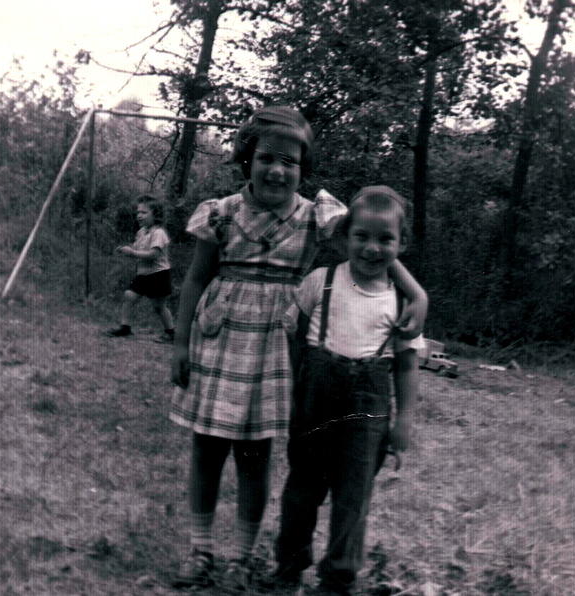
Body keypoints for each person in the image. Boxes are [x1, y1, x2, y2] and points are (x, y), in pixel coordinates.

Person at [168, 107, 427, 592]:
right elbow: (195, 279)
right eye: (267, 158)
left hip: (278, 348)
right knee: (206, 448)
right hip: (219, 340)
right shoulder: (220, 213)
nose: (278, 170)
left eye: (290, 162)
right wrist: (181, 343)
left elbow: (370, 244)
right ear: (248, 160)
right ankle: (200, 549)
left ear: (303, 169)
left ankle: (243, 556)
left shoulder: (316, 214)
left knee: (255, 453)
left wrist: (417, 293)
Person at [268, 185, 423, 596]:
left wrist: (404, 420)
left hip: (367, 413)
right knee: (301, 490)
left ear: (401, 244)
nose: (372, 248)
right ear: (345, 236)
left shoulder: (400, 302)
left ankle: (338, 578)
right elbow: (292, 332)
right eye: (362, 236)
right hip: (315, 404)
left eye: (385, 239)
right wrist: (300, 382)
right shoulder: (322, 282)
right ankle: (288, 566)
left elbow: (407, 364)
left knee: (353, 498)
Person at [105, 195, 175, 343]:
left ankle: (170, 332)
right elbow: (137, 249)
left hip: (158, 274)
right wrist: (127, 250)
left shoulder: (158, 233)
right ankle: (125, 327)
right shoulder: (141, 232)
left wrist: (133, 253)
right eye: (138, 212)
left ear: (155, 215)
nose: (139, 216)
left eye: (144, 212)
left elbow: (154, 254)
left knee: (159, 306)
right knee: (129, 296)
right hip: (143, 274)